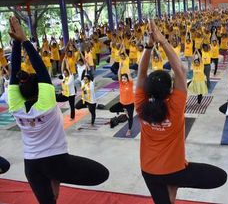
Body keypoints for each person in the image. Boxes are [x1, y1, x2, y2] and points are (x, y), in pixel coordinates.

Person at [7, 16, 109, 204]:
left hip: (31, 165)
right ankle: (56, 177)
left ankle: (55, 182)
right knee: (102, 174)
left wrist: (16, 43)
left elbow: (13, 73)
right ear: (40, 89)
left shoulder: (15, 106)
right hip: (56, 161)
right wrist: (22, 41)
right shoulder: (45, 103)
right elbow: (40, 69)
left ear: (19, 92)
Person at [135, 20, 227, 204]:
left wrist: (149, 45)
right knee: (220, 176)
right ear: (170, 91)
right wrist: (162, 41)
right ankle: (174, 183)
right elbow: (181, 69)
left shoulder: (141, 105)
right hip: (174, 170)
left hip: (149, 171)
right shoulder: (175, 107)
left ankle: (173, 185)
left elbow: (141, 71)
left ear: (146, 89)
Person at [109, 67, 135, 136]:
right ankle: (124, 110)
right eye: (122, 79)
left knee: (130, 118)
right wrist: (120, 67)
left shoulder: (130, 84)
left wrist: (128, 71)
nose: (123, 80)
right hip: (122, 103)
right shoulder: (121, 84)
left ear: (127, 79)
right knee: (111, 109)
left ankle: (129, 130)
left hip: (130, 104)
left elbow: (129, 76)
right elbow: (118, 74)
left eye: (124, 78)